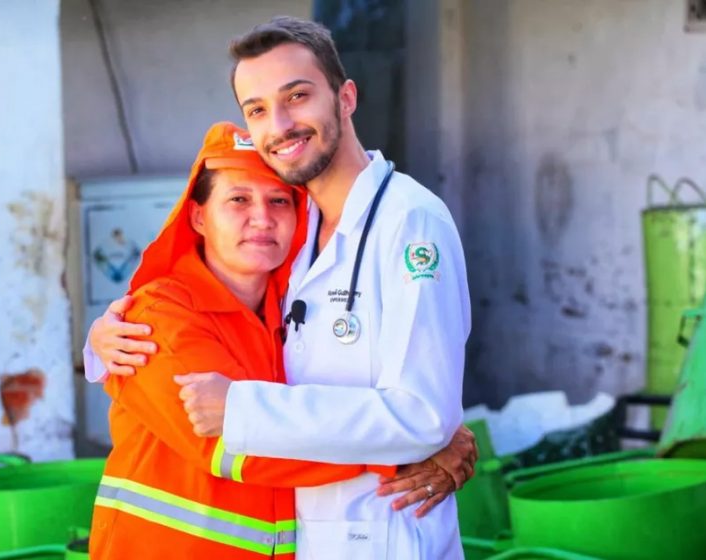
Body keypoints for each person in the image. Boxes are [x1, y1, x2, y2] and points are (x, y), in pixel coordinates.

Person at [87, 17, 474, 560]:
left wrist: (437, 433)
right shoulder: (293, 254)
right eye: (259, 109)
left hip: (391, 537)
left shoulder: (410, 224)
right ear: (198, 219)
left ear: (346, 98)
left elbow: (423, 412)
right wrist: (97, 342)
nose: (282, 124)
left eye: (298, 96)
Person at [91, 121, 415, 559]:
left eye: (279, 200)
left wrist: (428, 425)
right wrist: (407, 449)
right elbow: (242, 447)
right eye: (238, 199)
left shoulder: (298, 309)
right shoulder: (156, 319)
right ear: (199, 216)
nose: (262, 218)